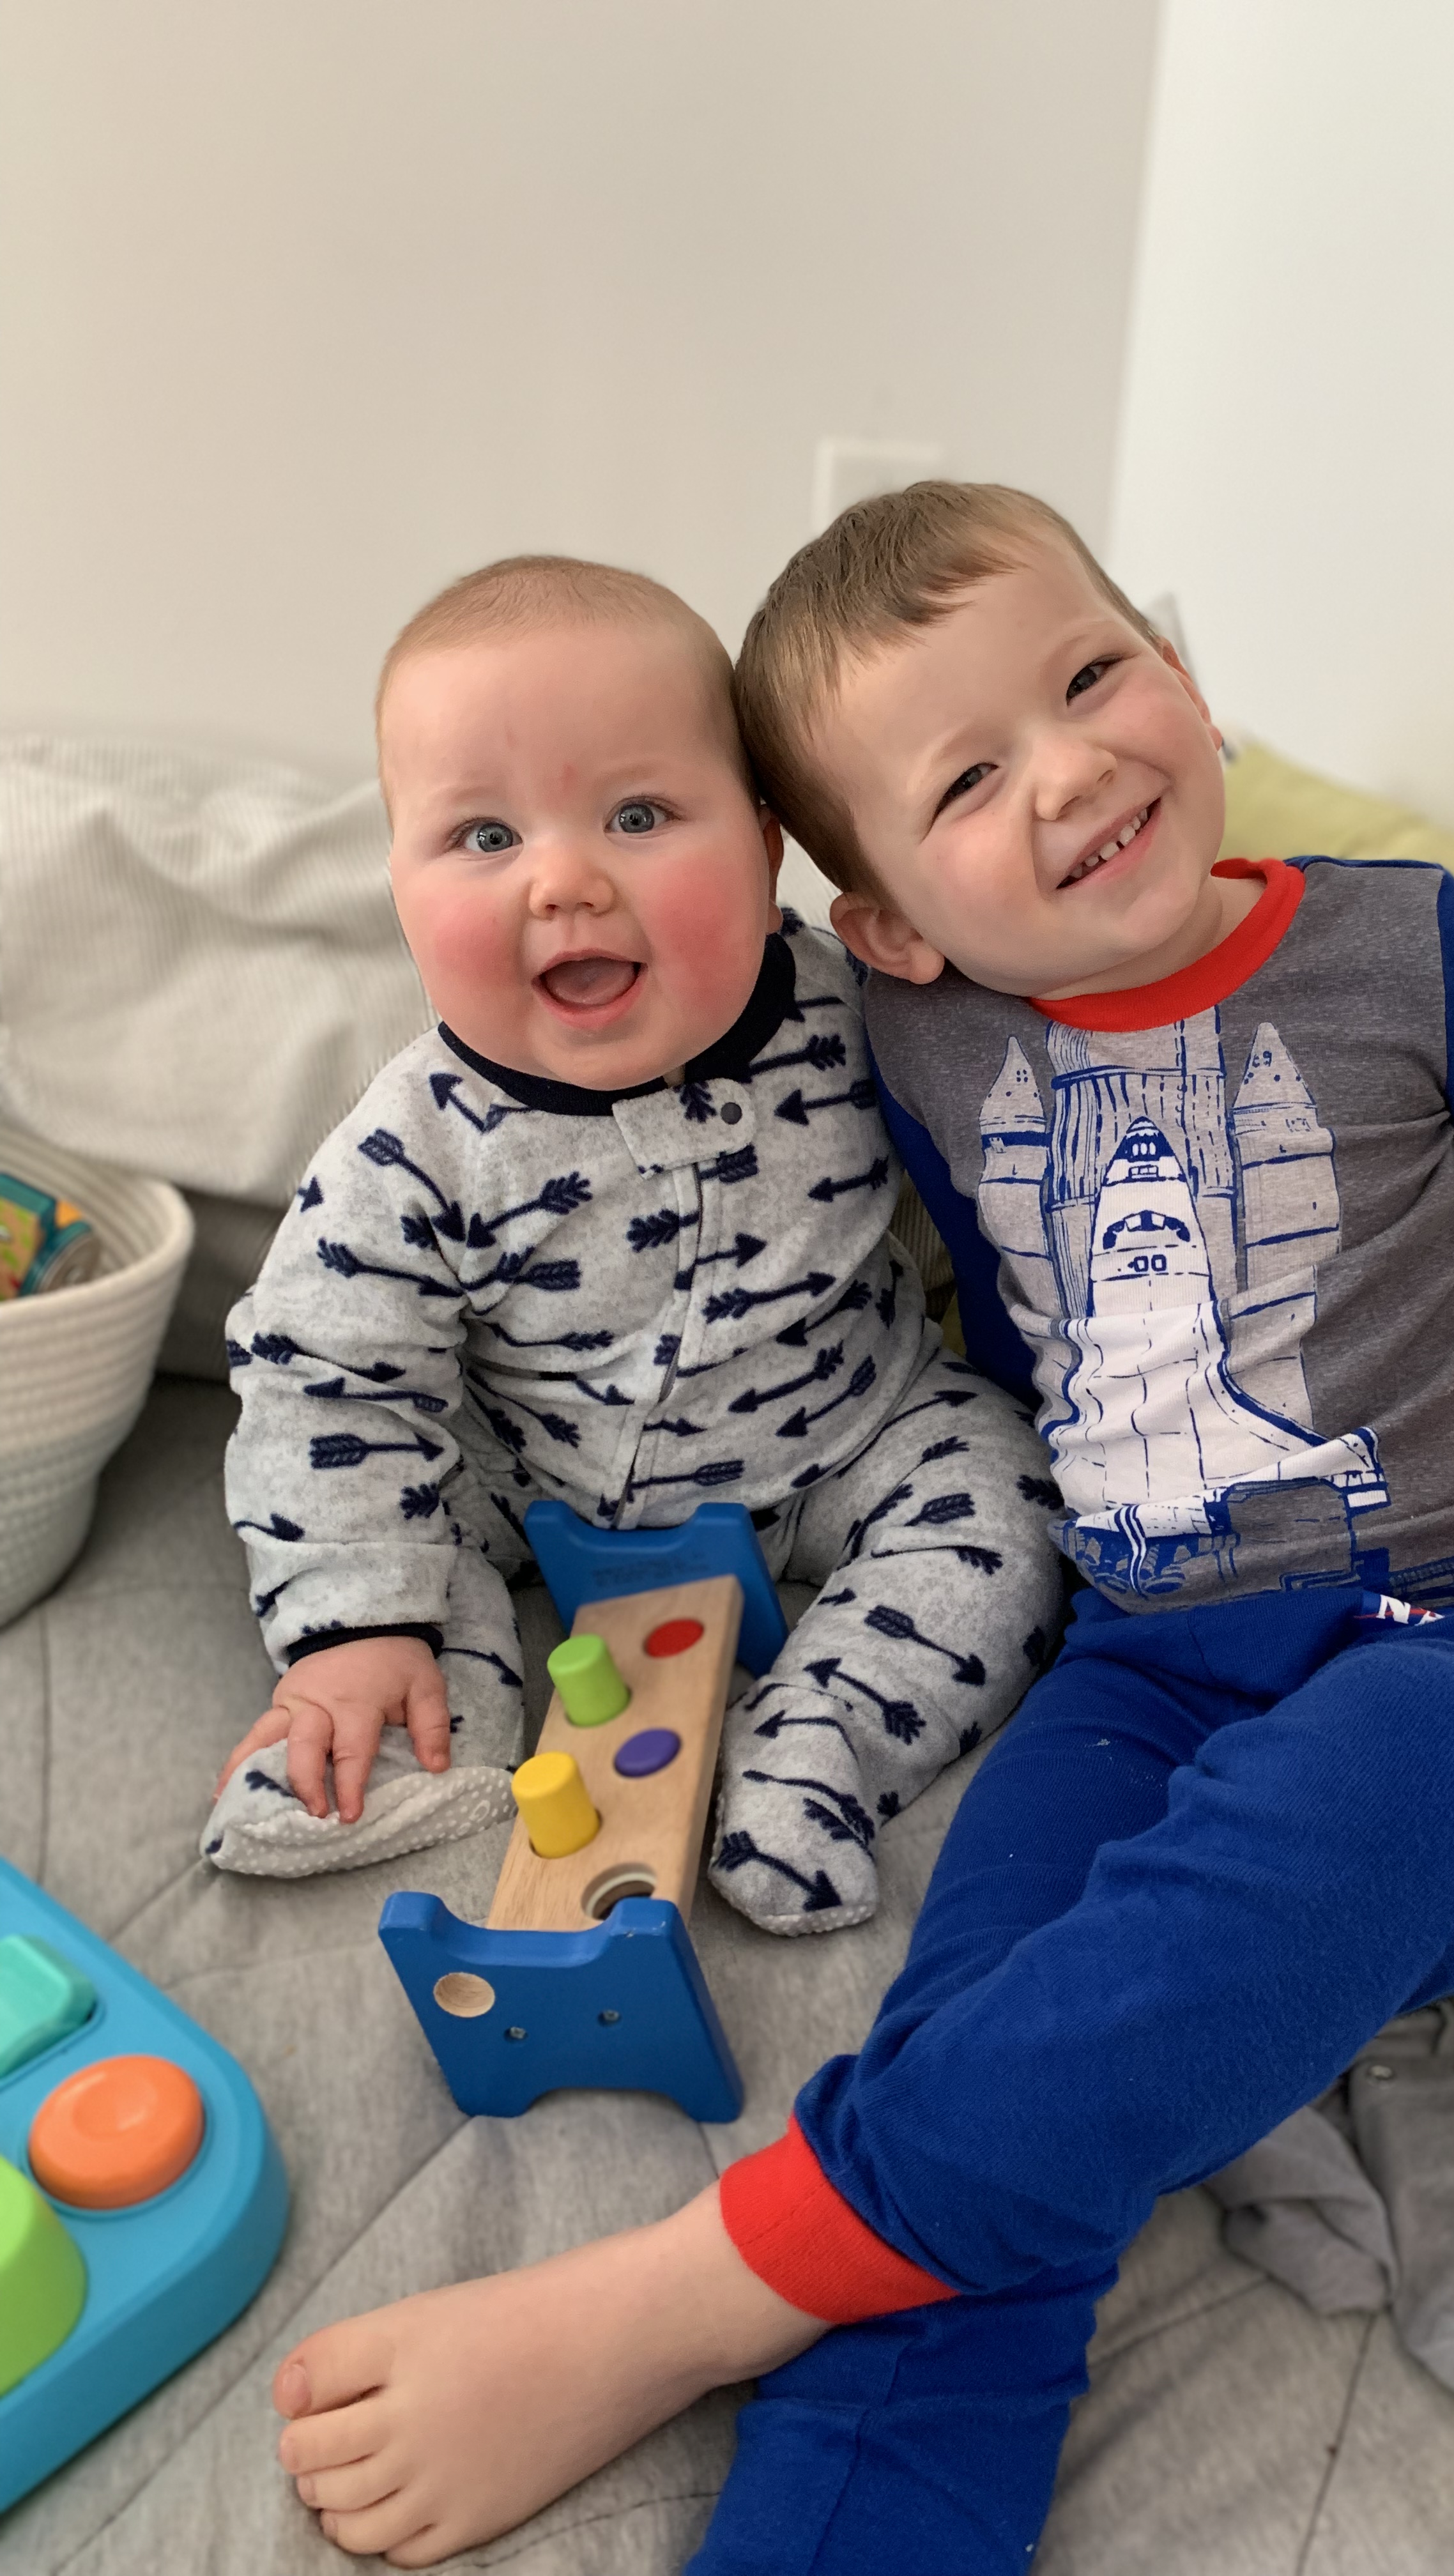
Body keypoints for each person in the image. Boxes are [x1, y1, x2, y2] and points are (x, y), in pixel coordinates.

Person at [269, 493, 1454, 2572]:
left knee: (1404, 1770)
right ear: (889, 925)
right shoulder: (908, 1039)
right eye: (962, 781)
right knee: (997, 2047)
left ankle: (693, 2293)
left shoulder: (1415, 950)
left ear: (1179, 670)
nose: (1071, 766)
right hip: (1139, 1671)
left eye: (1094, 674)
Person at [206, 550, 1060, 1936]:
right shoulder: (416, 1140)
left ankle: (821, 1742)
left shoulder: (862, 1008)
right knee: (392, 1513)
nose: (565, 880)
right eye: (485, 837)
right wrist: (353, 1624)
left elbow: (1021, 1065)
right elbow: (323, 1376)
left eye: (641, 814)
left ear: (767, 847)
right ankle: (408, 1715)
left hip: (853, 1432)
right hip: (533, 1466)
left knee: (1014, 1494)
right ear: (400, 889)